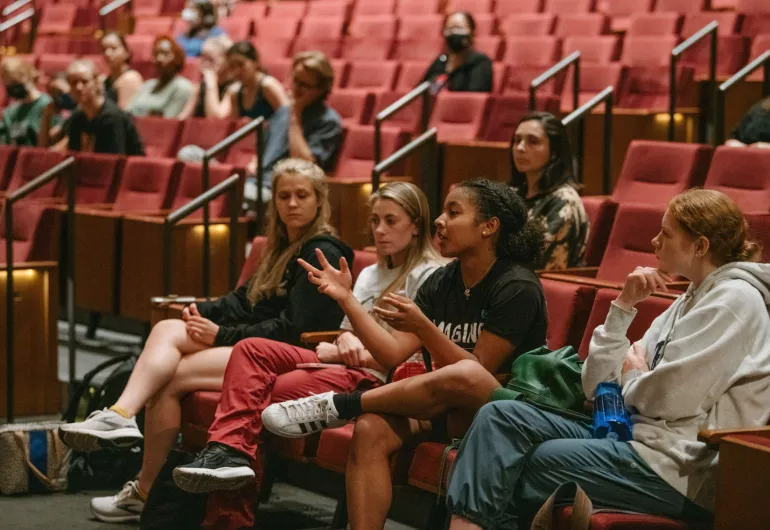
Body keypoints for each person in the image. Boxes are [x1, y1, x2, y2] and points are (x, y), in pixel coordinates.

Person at [444, 188, 770, 530]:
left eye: (667, 233)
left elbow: (667, 401)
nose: (655, 241)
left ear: (700, 246)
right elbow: (596, 385)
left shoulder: (733, 303)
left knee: (530, 462)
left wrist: (630, 378)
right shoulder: (690, 298)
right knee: (499, 416)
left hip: (679, 469)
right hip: (632, 436)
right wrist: (624, 307)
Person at [57, 159, 353, 524]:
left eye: (301, 195)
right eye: (284, 196)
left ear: (319, 200)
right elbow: (244, 302)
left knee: (171, 377)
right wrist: (198, 310)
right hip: (254, 345)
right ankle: (119, 417)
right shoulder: (278, 247)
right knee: (167, 329)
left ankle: (143, 488)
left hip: (293, 356)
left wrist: (221, 335)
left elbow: (293, 328)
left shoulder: (323, 251)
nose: (292, 203)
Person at [262, 178, 549, 530]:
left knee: (463, 374)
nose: (439, 220)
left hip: (500, 411)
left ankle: (342, 404)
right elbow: (392, 353)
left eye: (453, 212)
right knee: (369, 430)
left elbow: (477, 372)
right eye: (442, 211)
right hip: (443, 405)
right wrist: (347, 300)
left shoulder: (516, 285)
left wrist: (425, 328)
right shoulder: (443, 280)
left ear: (489, 227)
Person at [170, 182, 445, 529]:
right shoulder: (371, 273)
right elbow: (346, 334)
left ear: (417, 224)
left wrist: (351, 350)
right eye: (375, 220)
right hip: (343, 364)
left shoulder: (430, 276)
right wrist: (342, 345)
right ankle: (229, 452)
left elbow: (400, 358)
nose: (379, 230)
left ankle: (228, 514)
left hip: (376, 381)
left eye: (391, 221)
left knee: (256, 397)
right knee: (250, 349)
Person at [243, 51, 342, 207]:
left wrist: (295, 116)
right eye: (295, 80)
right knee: (192, 154)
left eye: (303, 85)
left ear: (321, 89)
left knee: (229, 195)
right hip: (256, 181)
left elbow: (305, 164)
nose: (295, 88)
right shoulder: (283, 111)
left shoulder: (329, 121)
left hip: (281, 190)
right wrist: (255, 161)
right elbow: (263, 145)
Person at [511, 111, 589, 270]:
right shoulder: (512, 193)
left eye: (533, 141)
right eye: (517, 140)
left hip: (540, 286)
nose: (520, 148)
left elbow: (532, 260)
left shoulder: (565, 200)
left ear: (554, 152)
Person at [65, 59, 145, 155]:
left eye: (85, 81)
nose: (79, 87)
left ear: (97, 82)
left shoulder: (112, 118)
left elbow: (113, 161)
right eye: (73, 83)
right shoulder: (76, 119)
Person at [423, 11, 493, 93]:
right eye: (450, 28)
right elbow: (421, 90)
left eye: (459, 28)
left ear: (471, 31)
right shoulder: (441, 60)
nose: (454, 32)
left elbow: (475, 96)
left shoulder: (480, 61)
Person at [128, 35, 195, 119]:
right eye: (156, 54)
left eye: (165, 54)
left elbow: (168, 121)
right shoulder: (147, 85)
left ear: (177, 58)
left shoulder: (182, 87)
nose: (159, 58)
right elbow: (128, 112)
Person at [225, 40, 289, 120]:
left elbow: (287, 117)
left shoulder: (268, 86)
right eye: (232, 67)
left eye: (241, 64)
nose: (236, 71)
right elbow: (235, 125)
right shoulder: (235, 93)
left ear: (255, 62)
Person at [179, 35, 236, 119]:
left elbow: (216, 120)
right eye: (203, 58)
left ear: (227, 60)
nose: (205, 64)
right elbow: (182, 119)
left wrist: (211, 83)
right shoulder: (200, 86)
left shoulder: (234, 86)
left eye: (210, 59)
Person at [0, 57, 52, 146]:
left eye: (15, 82)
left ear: (28, 76)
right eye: (9, 85)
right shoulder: (9, 112)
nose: (13, 88)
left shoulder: (48, 105)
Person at [101, 31, 144, 109]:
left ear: (126, 52)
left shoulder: (131, 78)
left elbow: (123, 115)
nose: (107, 53)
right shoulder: (104, 80)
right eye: (104, 49)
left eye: (113, 48)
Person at [38, 73, 75, 150]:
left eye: (60, 92)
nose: (57, 97)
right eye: (52, 94)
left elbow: (57, 149)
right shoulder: (64, 119)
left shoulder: (82, 111)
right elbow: (43, 146)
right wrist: (46, 116)